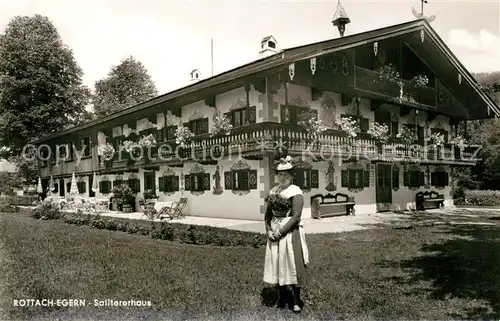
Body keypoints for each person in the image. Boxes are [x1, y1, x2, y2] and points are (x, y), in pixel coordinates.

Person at [263, 155, 309, 313]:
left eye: (286, 174)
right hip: (274, 230)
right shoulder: (274, 191)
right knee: (277, 263)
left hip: (289, 232)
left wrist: (281, 232)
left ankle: (296, 300)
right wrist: (269, 230)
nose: (282, 177)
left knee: (292, 263)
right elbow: (268, 214)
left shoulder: (295, 192)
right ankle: (281, 296)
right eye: (280, 174)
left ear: (291, 176)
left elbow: (296, 216)